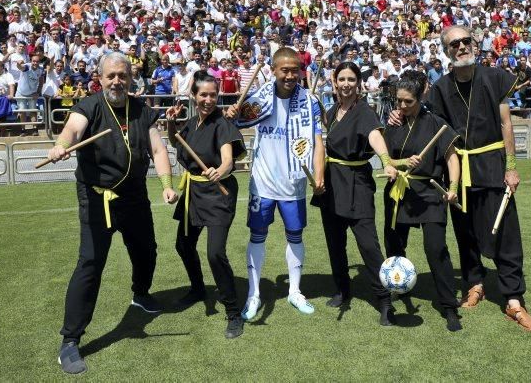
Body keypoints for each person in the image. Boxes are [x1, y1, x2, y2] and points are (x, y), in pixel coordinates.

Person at [46, 52, 178, 374]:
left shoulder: (141, 110)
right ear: (100, 78)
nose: (117, 82)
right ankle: (70, 341)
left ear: (131, 78)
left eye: (123, 76)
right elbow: (72, 130)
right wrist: (61, 144)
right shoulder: (88, 107)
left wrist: (166, 183)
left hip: (134, 197)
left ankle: (141, 295)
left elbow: (158, 149)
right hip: (97, 200)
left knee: (147, 251)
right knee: (90, 263)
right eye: (111, 76)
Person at [418, 25, 531, 333]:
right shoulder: (440, 89)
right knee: (465, 232)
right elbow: (429, 124)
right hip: (459, 170)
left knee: (506, 234)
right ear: (447, 52)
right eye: (454, 44)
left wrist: (511, 166)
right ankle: (475, 282)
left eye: (465, 41)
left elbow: (506, 124)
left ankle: (514, 300)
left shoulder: (495, 77)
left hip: (492, 164)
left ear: (473, 44)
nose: (461, 47)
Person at [225, 47, 325, 320]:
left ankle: (294, 291)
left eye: (295, 70)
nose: (291, 75)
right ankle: (253, 294)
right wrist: (233, 113)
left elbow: (317, 141)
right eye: (285, 70)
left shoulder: (309, 101)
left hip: (294, 184)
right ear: (273, 70)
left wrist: (319, 175)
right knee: (258, 236)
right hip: (263, 183)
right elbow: (234, 120)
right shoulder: (258, 99)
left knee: (295, 235)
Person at [309, 61, 398, 326]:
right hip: (332, 185)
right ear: (334, 82)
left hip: (357, 184)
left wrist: (386, 161)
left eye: (351, 79)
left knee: (369, 245)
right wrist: (313, 104)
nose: (346, 84)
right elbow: (320, 132)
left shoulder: (364, 111)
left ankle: (384, 300)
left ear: (358, 83)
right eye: (342, 79)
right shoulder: (334, 110)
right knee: (335, 244)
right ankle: (342, 289)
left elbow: (375, 136)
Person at [165, 71, 247, 339]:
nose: (208, 100)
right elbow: (177, 141)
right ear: (193, 96)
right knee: (184, 245)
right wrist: (170, 124)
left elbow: (227, 160)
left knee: (215, 253)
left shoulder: (223, 124)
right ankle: (198, 288)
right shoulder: (190, 123)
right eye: (203, 95)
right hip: (193, 191)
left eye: (213, 95)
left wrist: (220, 171)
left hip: (218, 194)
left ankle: (234, 312)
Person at [383, 71, 463, 332]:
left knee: (435, 248)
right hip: (400, 191)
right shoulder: (394, 123)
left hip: (430, 193)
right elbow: (387, 160)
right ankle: (397, 288)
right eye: (399, 101)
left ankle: (449, 305)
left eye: (408, 101)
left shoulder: (436, 124)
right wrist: (398, 165)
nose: (402, 106)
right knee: (395, 246)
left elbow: (452, 158)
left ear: (421, 96)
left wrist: (452, 188)